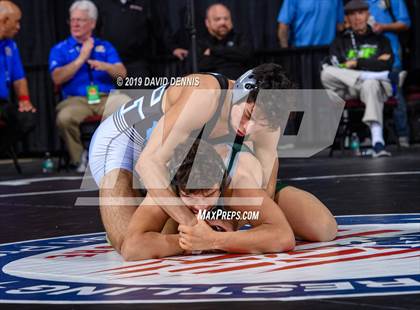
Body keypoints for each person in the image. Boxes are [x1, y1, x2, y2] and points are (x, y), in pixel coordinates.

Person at [89, 63, 292, 253]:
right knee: (129, 244)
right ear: (240, 92)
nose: (248, 128)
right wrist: (196, 228)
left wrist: (232, 222)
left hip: (171, 152)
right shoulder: (204, 96)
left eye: (260, 124)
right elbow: (148, 164)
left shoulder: (265, 118)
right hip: (125, 140)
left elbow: (265, 187)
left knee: (168, 235)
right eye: (248, 115)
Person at [120, 138, 337, 260]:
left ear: (221, 183)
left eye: (208, 194)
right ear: (177, 190)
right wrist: (188, 242)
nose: (200, 205)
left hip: (254, 186)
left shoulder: (237, 185)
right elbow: (131, 248)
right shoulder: (167, 186)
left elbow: (283, 237)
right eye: (189, 195)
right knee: (165, 230)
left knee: (323, 228)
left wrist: (214, 240)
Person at [49, 0, 128, 172]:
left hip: (105, 97)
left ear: (92, 23)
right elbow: (57, 78)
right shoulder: (60, 49)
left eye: (81, 20)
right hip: (75, 100)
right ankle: (80, 158)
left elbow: (122, 74)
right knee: (64, 118)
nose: (75, 24)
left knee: (125, 105)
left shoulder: (105, 47)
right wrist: (81, 58)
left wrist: (106, 66)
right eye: (73, 20)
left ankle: (107, 154)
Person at [321, 0, 394, 158]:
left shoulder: (381, 40)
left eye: (360, 13)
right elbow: (333, 67)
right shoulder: (340, 41)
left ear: (368, 14)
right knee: (325, 73)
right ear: (347, 18)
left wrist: (356, 63)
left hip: (375, 87)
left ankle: (377, 141)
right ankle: (366, 76)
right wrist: (371, 67)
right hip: (348, 88)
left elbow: (387, 64)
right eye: (352, 14)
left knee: (371, 84)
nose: (356, 17)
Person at [365, 0, 411, 147]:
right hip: (367, 57)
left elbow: (405, 23)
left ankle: (403, 135)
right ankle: (371, 135)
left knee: (395, 94)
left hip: (391, 56)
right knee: (369, 94)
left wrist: (383, 27)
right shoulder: (359, 2)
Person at [94, 0, 168, 79]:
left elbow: (158, 29)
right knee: (108, 90)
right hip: (109, 62)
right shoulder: (102, 3)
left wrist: (172, 47)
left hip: (137, 62)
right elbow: (94, 29)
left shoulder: (145, 3)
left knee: (140, 90)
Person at [0, 1, 36, 152]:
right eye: (16, 22)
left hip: (2, 104)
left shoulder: (10, 46)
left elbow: (18, 78)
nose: (18, 27)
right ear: (4, 21)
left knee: (27, 118)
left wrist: (24, 100)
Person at [197, 3, 252, 79]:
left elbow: (246, 56)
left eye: (226, 19)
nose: (223, 22)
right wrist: (233, 57)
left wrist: (213, 51)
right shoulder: (200, 42)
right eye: (217, 19)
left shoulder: (240, 38)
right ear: (207, 22)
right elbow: (202, 65)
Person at [277, 0, 344, 48]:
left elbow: (340, 26)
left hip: (328, 51)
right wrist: (286, 53)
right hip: (301, 53)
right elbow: (283, 26)